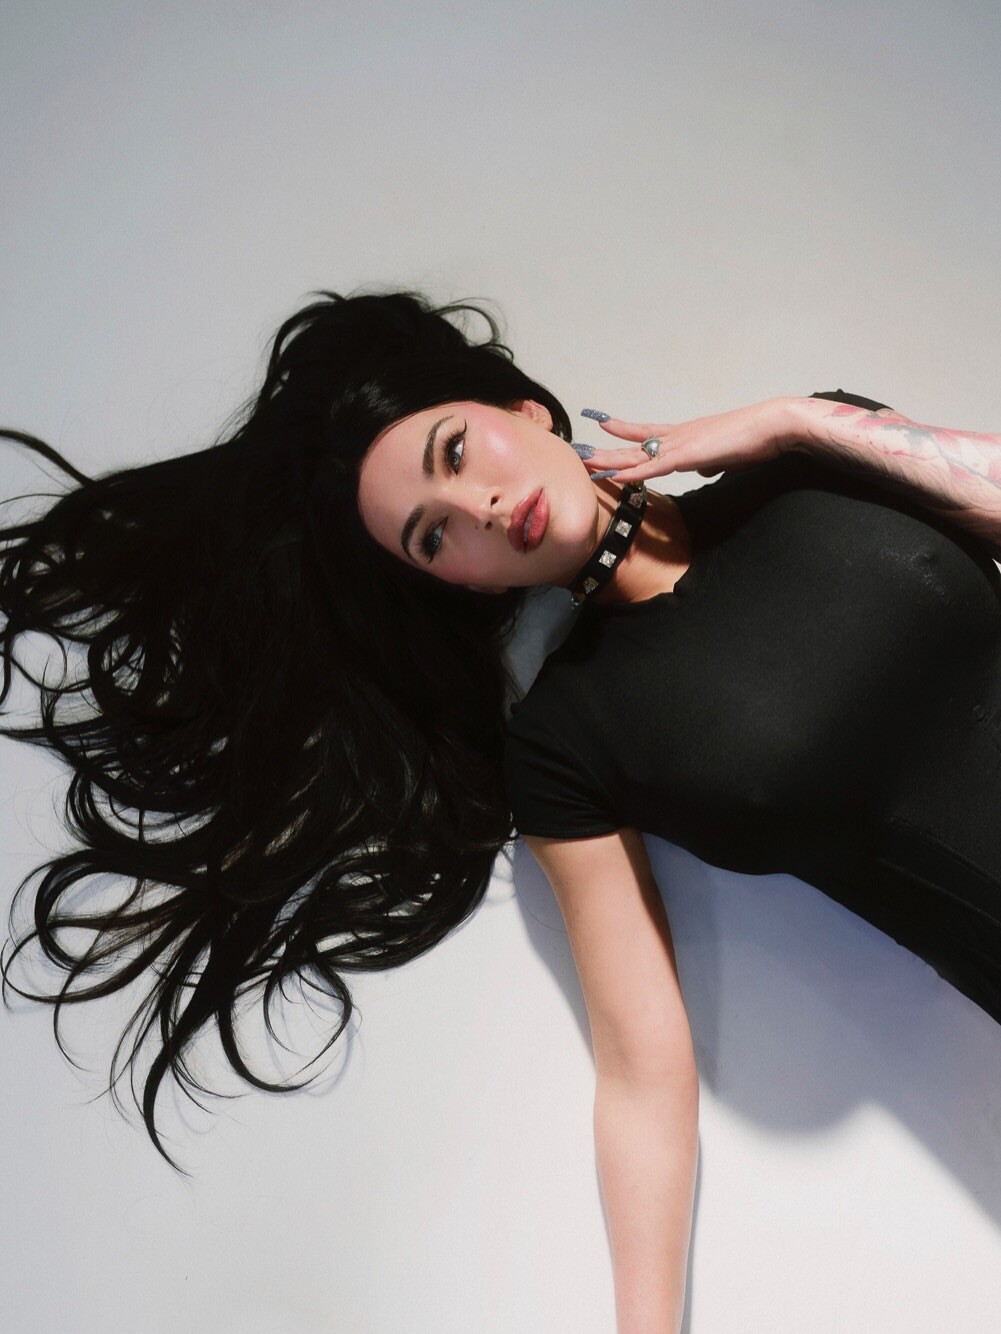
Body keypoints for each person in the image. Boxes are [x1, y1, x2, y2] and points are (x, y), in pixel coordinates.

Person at [2, 288, 1000, 1332]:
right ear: (461, 584)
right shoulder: (567, 741)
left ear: (524, 410)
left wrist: (798, 421)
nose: (476, 506)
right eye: (433, 536)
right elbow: (640, 1079)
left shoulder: (804, 463)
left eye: (455, 452)